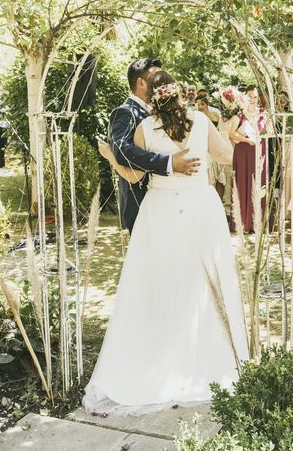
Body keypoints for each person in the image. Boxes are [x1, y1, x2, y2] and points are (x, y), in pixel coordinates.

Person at [84, 70, 248, 415]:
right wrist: (230, 130)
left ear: (152, 96)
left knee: (160, 283)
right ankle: (209, 359)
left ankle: (163, 357)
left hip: (159, 210)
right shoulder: (201, 121)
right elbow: (228, 157)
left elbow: (134, 174)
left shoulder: (144, 128)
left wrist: (110, 155)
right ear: (180, 93)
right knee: (202, 283)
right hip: (202, 208)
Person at [100, 58, 199, 234]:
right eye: (155, 77)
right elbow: (123, 152)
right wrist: (168, 163)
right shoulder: (125, 112)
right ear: (141, 83)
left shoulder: (164, 112)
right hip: (141, 200)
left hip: (170, 199)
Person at [229, 85, 269, 233]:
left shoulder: (263, 114)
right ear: (244, 97)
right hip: (243, 152)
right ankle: (244, 222)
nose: (252, 99)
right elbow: (231, 134)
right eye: (249, 96)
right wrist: (246, 140)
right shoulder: (239, 115)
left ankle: (258, 221)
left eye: (255, 97)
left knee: (260, 183)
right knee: (243, 182)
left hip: (260, 151)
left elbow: (269, 131)